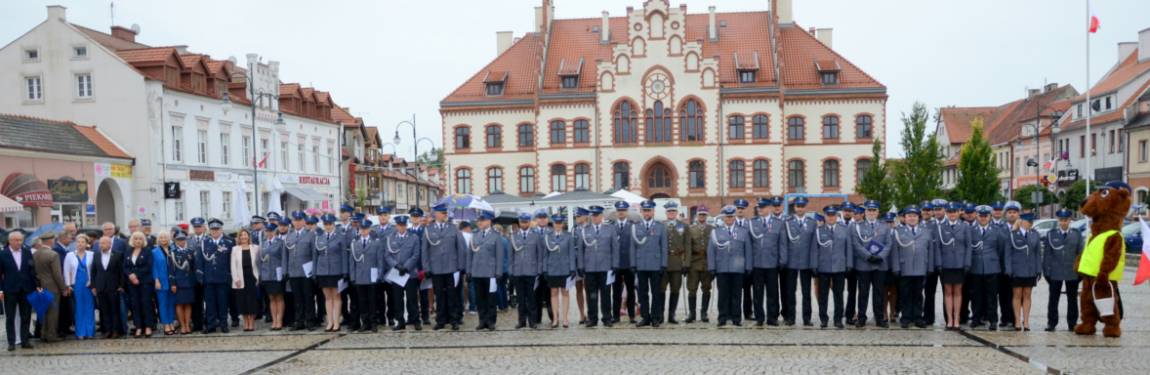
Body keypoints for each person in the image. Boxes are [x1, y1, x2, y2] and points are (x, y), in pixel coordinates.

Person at [422, 203, 468, 331]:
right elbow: (424, 250)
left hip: (451, 267)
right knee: (439, 296)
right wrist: (426, 268)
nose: (444, 215)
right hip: (436, 268)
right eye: (442, 213)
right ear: (436, 214)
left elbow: (460, 248)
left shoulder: (453, 228)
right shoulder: (428, 229)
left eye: (445, 213)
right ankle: (440, 320)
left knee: (452, 295)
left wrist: (460, 266)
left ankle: (454, 320)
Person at [890, 206, 935, 329]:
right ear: (904, 218)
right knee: (905, 294)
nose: (912, 218)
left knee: (918, 294)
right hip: (905, 267)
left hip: (921, 267)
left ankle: (917, 317)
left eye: (914, 216)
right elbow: (895, 251)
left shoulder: (926, 231)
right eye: (909, 216)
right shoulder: (898, 232)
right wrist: (895, 267)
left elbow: (930, 250)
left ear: (918, 218)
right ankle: (905, 318)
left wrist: (930, 266)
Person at [849, 200, 892, 328]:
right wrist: (868, 256)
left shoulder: (885, 226)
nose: (871, 212)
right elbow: (856, 244)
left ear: (878, 212)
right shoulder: (858, 226)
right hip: (864, 264)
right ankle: (861, 317)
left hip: (880, 264)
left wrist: (880, 256)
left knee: (879, 292)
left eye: (874, 210)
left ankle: (879, 318)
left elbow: (889, 244)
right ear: (865, 212)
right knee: (863, 292)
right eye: (869, 210)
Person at [708, 206, 753, 327]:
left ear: (734, 217)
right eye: (727, 217)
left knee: (736, 294)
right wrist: (712, 267)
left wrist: (748, 266)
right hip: (722, 268)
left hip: (738, 268)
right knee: (723, 294)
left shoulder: (743, 231)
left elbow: (747, 250)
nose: (729, 219)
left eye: (731, 216)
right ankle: (722, 317)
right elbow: (711, 251)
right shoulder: (716, 232)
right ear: (723, 218)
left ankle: (736, 318)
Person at [1044, 208, 1083, 332]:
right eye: (1061, 220)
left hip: (1072, 271)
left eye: (1066, 220)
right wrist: (1046, 272)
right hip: (1055, 271)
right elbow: (1047, 255)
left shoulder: (1076, 234)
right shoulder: (1051, 234)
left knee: (1072, 299)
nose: (1063, 222)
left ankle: (1072, 323)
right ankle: (1052, 323)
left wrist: (1080, 272)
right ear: (1058, 220)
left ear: (1070, 220)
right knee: (1053, 299)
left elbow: (1080, 254)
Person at [580, 205, 619, 328]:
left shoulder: (610, 229)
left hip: (606, 267)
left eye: (597, 215)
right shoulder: (585, 230)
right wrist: (580, 266)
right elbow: (580, 250)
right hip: (590, 268)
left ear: (602, 216)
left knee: (606, 294)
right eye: (593, 216)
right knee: (591, 294)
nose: (594, 218)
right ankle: (592, 318)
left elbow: (615, 248)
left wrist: (615, 265)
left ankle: (607, 317)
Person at [968, 205, 1005, 331]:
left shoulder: (996, 230)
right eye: (981, 216)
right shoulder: (971, 230)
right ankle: (976, 318)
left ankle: (993, 320)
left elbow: (1000, 249)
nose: (983, 218)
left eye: (986, 216)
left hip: (992, 267)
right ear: (976, 216)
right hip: (976, 267)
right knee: (976, 295)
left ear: (990, 216)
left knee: (992, 296)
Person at [750, 197, 786, 327]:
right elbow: (750, 244)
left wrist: (782, 259)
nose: (760, 209)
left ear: (769, 208)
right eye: (759, 207)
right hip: (757, 262)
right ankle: (759, 317)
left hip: (772, 262)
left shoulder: (778, 223)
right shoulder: (752, 223)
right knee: (758, 292)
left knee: (773, 292)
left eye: (763, 207)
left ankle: (772, 317)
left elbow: (782, 243)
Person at [935, 202, 971, 330]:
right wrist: (939, 263)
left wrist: (967, 263)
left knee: (958, 292)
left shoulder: (965, 226)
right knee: (948, 293)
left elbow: (968, 246)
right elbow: (938, 247)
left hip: (960, 264)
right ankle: (949, 319)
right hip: (946, 264)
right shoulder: (941, 227)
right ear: (946, 213)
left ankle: (957, 318)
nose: (952, 214)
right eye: (950, 212)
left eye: (954, 212)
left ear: (958, 212)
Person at [2, 232, 41, 351]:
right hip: (10, 289)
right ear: (10, 241)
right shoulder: (3, 254)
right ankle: (11, 342)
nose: (19, 242)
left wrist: (37, 285)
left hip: (26, 288)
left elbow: (32, 270)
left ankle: (25, 341)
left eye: (21, 240)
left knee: (26, 315)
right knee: (10, 317)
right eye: (17, 240)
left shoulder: (26, 252)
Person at [812, 207, 849, 329]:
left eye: (833, 215)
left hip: (839, 267)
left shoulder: (844, 230)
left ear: (837, 216)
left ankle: (838, 319)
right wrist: (814, 265)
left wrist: (849, 265)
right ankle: (824, 319)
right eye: (829, 215)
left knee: (839, 295)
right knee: (823, 296)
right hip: (823, 267)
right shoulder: (819, 230)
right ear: (825, 216)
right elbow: (814, 250)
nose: (831, 217)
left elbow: (848, 249)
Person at [782, 197, 817, 326]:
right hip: (791, 262)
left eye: (802, 206)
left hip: (806, 262)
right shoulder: (787, 222)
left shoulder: (812, 223)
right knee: (790, 291)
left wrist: (813, 263)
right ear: (794, 208)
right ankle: (791, 318)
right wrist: (784, 260)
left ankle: (806, 318)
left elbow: (814, 246)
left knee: (806, 292)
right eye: (798, 206)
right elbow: (784, 243)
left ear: (805, 208)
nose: (800, 208)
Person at [468, 211, 504, 331]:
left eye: (482, 220)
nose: (479, 222)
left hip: (490, 273)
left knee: (491, 299)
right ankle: (482, 320)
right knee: (480, 298)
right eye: (479, 220)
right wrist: (469, 271)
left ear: (489, 221)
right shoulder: (475, 235)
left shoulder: (496, 235)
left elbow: (499, 255)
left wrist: (499, 272)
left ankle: (491, 321)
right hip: (477, 272)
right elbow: (470, 255)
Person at [385, 216, 422, 331]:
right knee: (397, 299)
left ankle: (416, 320)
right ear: (396, 226)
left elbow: (416, 255)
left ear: (406, 225)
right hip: (396, 272)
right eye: (399, 225)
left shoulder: (414, 237)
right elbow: (387, 255)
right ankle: (400, 321)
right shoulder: (390, 238)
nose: (401, 227)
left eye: (403, 225)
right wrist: (396, 266)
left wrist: (406, 267)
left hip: (409, 273)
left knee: (412, 299)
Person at [197, 219, 233, 334]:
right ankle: (211, 325)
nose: (215, 231)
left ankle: (223, 324)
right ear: (210, 230)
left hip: (223, 278)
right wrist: (200, 276)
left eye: (217, 229)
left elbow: (231, 261)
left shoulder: (228, 243)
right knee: (210, 303)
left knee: (223, 303)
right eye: (213, 229)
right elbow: (200, 261)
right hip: (209, 278)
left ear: (221, 229)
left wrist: (230, 276)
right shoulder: (204, 243)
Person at [1007, 212, 1041, 332]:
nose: (1030, 224)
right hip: (1017, 269)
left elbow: (1037, 254)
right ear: (1021, 221)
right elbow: (1008, 254)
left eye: (1031, 222)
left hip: (1030, 269)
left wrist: (1038, 269)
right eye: (1028, 222)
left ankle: (1026, 321)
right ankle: (1017, 320)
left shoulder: (1034, 235)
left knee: (1027, 295)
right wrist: (1009, 269)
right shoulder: (1013, 234)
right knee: (1017, 295)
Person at [509, 213, 543, 329]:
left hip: (531, 271)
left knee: (532, 298)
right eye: (522, 222)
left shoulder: (536, 235)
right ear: (519, 222)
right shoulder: (513, 235)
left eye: (526, 222)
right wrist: (511, 271)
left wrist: (539, 270)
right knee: (520, 298)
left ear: (529, 222)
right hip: (518, 271)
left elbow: (539, 254)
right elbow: (511, 255)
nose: (524, 224)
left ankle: (532, 321)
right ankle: (521, 321)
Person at [349, 220, 383, 333]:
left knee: (373, 301)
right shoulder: (354, 243)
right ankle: (365, 323)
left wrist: (379, 275)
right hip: (359, 277)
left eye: (365, 229)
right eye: (361, 229)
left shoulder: (376, 242)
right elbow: (352, 262)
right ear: (359, 230)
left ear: (369, 229)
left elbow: (379, 260)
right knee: (362, 301)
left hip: (372, 276)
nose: (363, 231)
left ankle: (374, 322)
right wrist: (353, 277)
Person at [315, 214, 347, 332]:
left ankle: (337, 322)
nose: (328, 226)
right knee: (327, 298)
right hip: (323, 271)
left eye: (330, 224)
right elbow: (316, 256)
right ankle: (330, 322)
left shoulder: (340, 237)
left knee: (336, 297)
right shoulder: (320, 237)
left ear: (334, 224)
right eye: (326, 224)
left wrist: (344, 271)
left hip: (336, 271)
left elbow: (344, 255)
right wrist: (315, 271)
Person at [544, 213, 576, 328]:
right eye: (556, 223)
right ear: (553, 224)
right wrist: (545, 269)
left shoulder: (568, 237)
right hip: (552, 268)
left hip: (565, 268)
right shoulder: (548, 236)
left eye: (559, 223)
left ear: (562, 224)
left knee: (565, 293)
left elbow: (572, 253)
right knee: (553, 293)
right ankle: (555, 319)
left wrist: (573, 268)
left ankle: (565, 319)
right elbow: (545, 255)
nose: (558, 225)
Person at [286, 212, 317, 331]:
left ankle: (310, 321)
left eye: (300, 220)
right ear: (292, 222)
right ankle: (299, 321)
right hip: (293, 271)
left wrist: (314, 271)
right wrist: (286, 270)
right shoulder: (290, 236)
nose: (297, 222)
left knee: (308, 297)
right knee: (297, 298)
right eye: (295, 220)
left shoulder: (310, 235)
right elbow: (286, 255)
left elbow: (314, 254)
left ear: (304, 221)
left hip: (306, 272)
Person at [32, 233, 65, 342]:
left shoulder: (35, 254)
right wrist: (63, 288)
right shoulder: (53, 254)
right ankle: (51, 335)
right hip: (52, 287)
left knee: (43, 311)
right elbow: (57, 274)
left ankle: (43, 333)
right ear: (51, 241)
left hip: (39, 286)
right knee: (52, 312)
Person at [662, 202, 691, 325]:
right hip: (663, 262)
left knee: (675, 290)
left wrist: (687, 263)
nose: (671, 213)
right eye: (669, 211)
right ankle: (659, 314)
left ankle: (671, 315)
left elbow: (687, 246)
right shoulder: (660, 226)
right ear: (666, 213)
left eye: (673, 211)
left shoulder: (684, 226)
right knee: (661, 290)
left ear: (676, 213)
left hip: (678, 262)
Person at [90, 236, 124, 338]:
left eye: (104, 243)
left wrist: (121, 285)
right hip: (100, 287)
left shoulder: (117, 255)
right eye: (100, 243)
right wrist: (93, 286)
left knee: (114, 310)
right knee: (104, 310)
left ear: (110, 244)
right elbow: (93, 271)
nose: (101, 245)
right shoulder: (96, 255)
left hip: (114, 287)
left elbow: (121, 272)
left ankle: (116, 330)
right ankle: (107, 330)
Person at [124, 232, 155, 338]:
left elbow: (148, 266)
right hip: (132, 283)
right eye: (136, 238)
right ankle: (138, 327)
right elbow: (125, 266)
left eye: (140, 239)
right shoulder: (128, 251)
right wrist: (130, 275)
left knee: (146, 304)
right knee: (135, 305)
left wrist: (136, 275)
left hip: (145, 282)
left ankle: (148, 327)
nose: (138, 240)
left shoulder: (147, 251)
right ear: (132, 240)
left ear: (143, 240)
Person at [64, 234, 96, 339]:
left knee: (89, 307)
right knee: (78, 307)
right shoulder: (70, 255)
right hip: (76, 284)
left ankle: (90, 332)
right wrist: (68, 285)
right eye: (78, 242)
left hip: (88, 285)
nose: (80, 244)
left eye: (82, 242)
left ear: (87, 244)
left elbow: (94, 270)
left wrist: (93, 283)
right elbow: (66, 270)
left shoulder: (92, 254)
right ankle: (80, 332)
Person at [611, 201, 637, 324]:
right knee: (615, 291)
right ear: (616, 212)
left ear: (626, 212)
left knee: (631, 291)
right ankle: (616, 316)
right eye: (619, 210)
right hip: (615, 264)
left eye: (623, 210)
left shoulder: (632, 226)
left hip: (628, 263)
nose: (621, 212)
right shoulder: (611, 226)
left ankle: (632, 315)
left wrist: (634, 263)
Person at [257, 223, 288, 331]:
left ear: (275, 231)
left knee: (279, 298)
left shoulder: (280, 243)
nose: (268, 233)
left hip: (277, 274)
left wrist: (284, 272)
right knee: (271, 298)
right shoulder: (264, 244)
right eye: (267, 231)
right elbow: (259, 261)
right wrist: (261, 274)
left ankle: (279, 320)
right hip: (267, 275)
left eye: (270, 231)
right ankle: (274, 320)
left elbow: (284, 258)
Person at [686, 206, 713, 323]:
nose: (702, 216)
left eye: (704, 214)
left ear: (707, 216)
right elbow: (687, 247)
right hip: (694, 263)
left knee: (706, 289)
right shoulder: (690, 229)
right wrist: (685, 264)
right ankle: (692, 314)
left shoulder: (712, 229)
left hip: (707, 263)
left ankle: (704, 313)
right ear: (697, 216)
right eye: (700, 214)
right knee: (692, 289)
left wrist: (714, 265)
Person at [229, 230, 260, 332]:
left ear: (248, 236)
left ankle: (251, 323)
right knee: (242, 301)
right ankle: (245, 322)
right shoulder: (235, 249)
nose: (243, 237)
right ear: (239, 237)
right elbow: (233, 265)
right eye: (241, 235)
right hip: (240, 279)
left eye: (245, 235)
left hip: (252, 278)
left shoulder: (255, 248)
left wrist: (258, 277)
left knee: (251, 301)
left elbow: (258, 264)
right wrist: (236, 279)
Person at [170, 232, 196, 334]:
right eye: (179, 240)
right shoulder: (172, 253)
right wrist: (173, 283)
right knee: (180, 304)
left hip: (189, 282)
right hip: (178, 282)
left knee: (188, 304)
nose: (181, 241)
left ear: (185, 240)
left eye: (183, 239)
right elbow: (171, 270)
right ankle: (182, 325)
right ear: (176, 241)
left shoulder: (190, 251)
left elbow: (194, 267)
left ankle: (187, 325)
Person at [152, 232, 177, 335]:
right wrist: (156, 280)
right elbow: (154, 267)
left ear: (169, 238)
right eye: (161, 237)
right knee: (163, 304)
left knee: (171, 303)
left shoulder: (173, 250)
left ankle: (171, 322)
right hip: (161, 281)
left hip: (173, 282)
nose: (163, 239)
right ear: (158, 239)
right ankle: (166, 324)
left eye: (165, 237)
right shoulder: (154, 251)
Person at [572, 208, 590, 325]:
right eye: (576, 217)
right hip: (577, 263)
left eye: (579, 216)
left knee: (588, 289)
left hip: (588, 262)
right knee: (578, 289)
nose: (577, 218)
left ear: (585, 217)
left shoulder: (590, 228)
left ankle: (590, 313)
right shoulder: (574, 230)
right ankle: (581, 314)